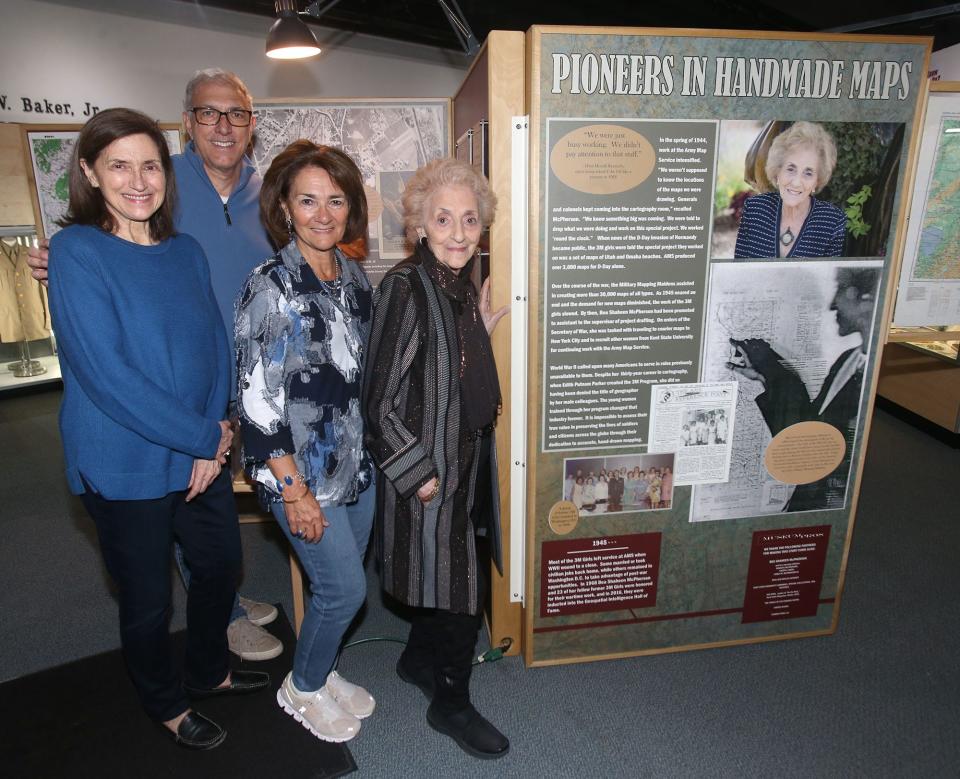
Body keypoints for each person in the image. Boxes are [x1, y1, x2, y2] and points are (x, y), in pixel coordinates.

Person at [29, 68, 282, 662]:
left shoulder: (269, 191)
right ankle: (222, 626)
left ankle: (224, 607)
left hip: (243, 379)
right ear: (187, 124)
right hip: (154, 395)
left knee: (219, 535)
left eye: (237, 114)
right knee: (155, 558)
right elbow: (105, 335)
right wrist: (63, 266)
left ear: (252, 124)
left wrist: (216, 429)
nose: (223, 125)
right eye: (208, 113)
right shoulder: (154, 188)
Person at [363, 158, 509, 760]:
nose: (456, 231)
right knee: (459, 592)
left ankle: (417, 660)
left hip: (468, 462)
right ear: (420, 223)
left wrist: (483, 322)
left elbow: (446, 368)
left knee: (452, 569)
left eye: (469, 220)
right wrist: (415, 473)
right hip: (431, 472)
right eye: (443, 218)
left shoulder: (458, 285)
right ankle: (450, 702)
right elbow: (377, 402)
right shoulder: (405, 287)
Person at [235, 141, 375, 743]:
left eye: (335, 200)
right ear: (285, 209)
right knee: (344, 589)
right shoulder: (269, 286)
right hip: (297, 475)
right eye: (308, 200)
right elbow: (256, 403)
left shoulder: (354, 276)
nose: (323, 214)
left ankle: (319, 667)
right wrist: (293, 492)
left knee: (337, 591)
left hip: (354, 466)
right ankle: (303, 688)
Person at [727, 266, 881, 511]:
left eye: (841, 290)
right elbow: (811, 432)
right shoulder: (848, 361)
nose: (832, 305)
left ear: (866, 300)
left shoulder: (873, 375)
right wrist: (767, 370)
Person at [734, 121, 846, 260]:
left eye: (808, 173)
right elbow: (739, 272)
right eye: (791, 169)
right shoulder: (754, 209)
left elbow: (827, 280)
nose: (796, 182)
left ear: (817, 181)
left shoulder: (832, 222)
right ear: (778, 171)